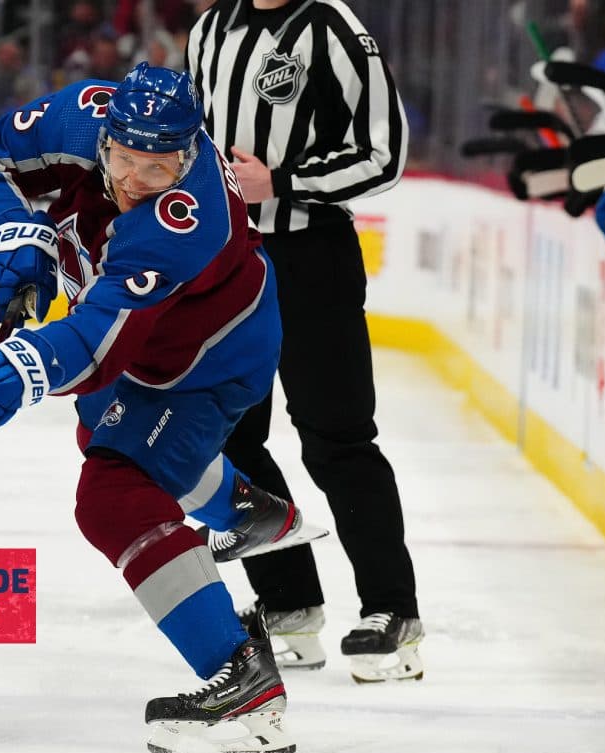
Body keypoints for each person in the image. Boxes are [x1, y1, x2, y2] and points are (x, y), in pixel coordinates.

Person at [0, 62, 305, 753]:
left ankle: (241, 677)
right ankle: (246, 511)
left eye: (160, 167)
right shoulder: (80, 114)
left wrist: (14, 370)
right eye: (126, 161)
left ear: (190, 152)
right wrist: (15, 236)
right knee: (108, 432)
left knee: (114, 495)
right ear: (103, 136)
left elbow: (96, 343)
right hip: (139, 344)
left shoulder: (182, 220)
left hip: (205, 363)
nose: (139, 180)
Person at [186, 0, 423, 682]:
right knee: (231, 436)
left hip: (310, 255)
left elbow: (385, 154)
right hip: (228, 260)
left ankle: (391, 610)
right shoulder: (209, 29)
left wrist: (282, 182)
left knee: (336, 438)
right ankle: (289, 606)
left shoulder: (333, 28)